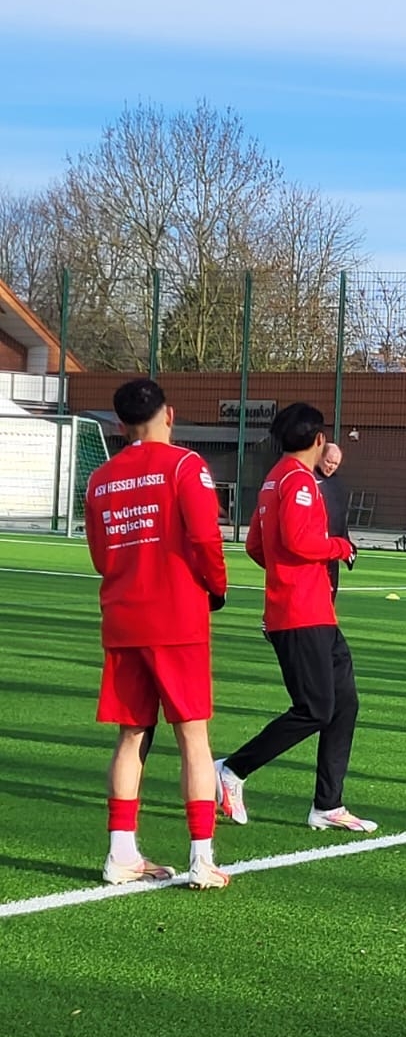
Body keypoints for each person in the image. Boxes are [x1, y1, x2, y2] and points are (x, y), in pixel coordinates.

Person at [83, 378, 230, 889]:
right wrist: (216, 586)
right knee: (193, 735)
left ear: (120, 425)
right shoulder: (186, 465)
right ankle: (201, 858)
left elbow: (100, 555)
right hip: (177, 617)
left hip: (123, 617)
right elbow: (206, 537)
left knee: (131, 734)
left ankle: (120, 853)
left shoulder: (101, 478)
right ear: (169, 414)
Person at [214, 402, 376, 832]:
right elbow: (301, 542)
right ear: (319, 440)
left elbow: (256, 545)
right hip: (301, 614)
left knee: (344, 703)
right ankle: (232, 769)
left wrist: (286, 574)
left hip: (313, 611)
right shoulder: (299, 481)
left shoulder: (274, 479)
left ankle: (328, 804)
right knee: (315, 709)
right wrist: (341, 547)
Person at [315, 442, 351, 601]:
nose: (331, 467)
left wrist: (346, 543)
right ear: (320, 457)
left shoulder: (338, 486)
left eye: (335, 464)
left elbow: (340, 517)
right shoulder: (306, 478)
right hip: (313, 549)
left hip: (331, 551)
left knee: (329, 597)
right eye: (329, 461)